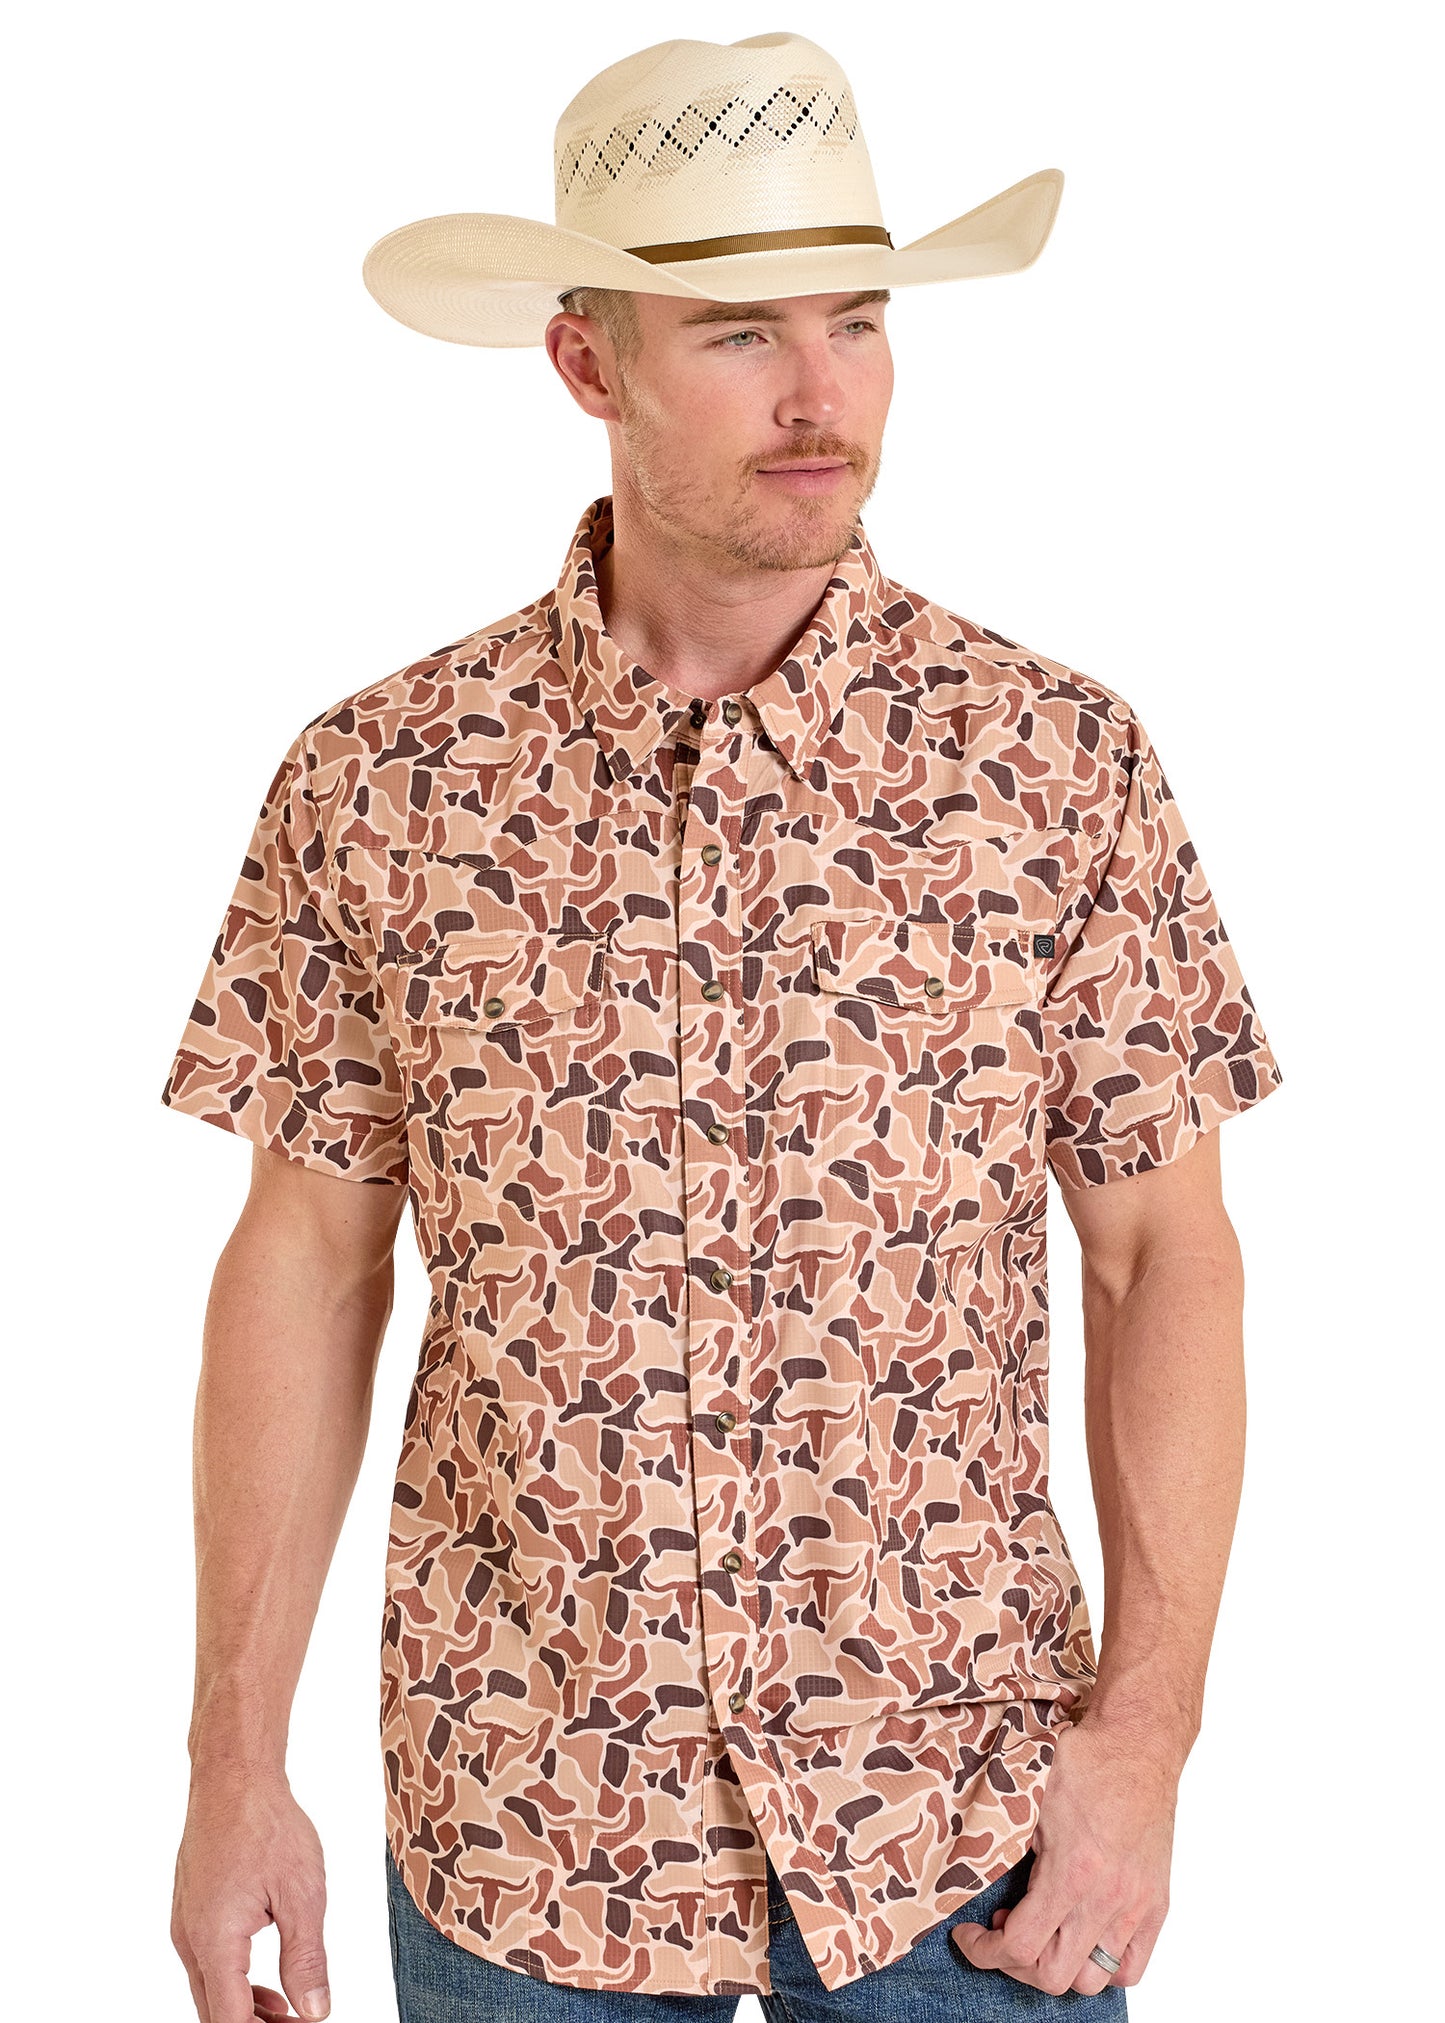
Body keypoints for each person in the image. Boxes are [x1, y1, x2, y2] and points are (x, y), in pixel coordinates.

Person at [162, 30, 1283, 2023]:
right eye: (740, 333)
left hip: (965, 1826)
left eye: (857, 321)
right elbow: (304, 1263)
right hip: (526, 1821)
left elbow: (1163, 1256)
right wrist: (230, 1762)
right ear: (585, 363)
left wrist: (1148, 1742)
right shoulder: (381, 784)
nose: (818, 393)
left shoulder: (1051, 765)